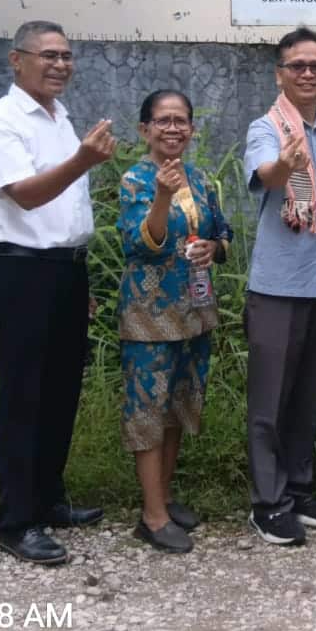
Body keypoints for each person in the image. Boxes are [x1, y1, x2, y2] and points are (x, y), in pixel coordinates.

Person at [0, 20, 114, 566]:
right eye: (48, 55)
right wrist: (83, 159)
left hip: (64, 270)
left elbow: (64, 206)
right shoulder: (0, 122)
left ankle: (48, 499)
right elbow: (26, 197)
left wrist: (75, 271)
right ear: (16, 60)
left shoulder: (59, 118)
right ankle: (15, 521)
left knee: (60, 393)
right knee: (24, 398)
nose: (60, 65)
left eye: (67, 56)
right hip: (23, 271)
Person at [242, 28, 316, 546]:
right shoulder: (266, 127)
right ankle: (268, 502)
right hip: (279, 285)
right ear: (279, 73)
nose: (307, 74)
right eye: (297, 66)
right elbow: (266, 174)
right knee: (271, 398)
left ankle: (299, 487)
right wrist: (285, 165)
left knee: (309, 394)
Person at [116, 89, 233, 554]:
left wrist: (214, 248)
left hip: (194, 313)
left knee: (177, 406)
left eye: (180, 120)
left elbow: (220, 232)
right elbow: (143, 243)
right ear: (145, 129)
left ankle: (163, 496)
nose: (173, 128)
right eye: (162, 121)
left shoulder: (200, 178)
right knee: (147, 411)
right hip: (149, 317)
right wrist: (162, 197)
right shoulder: (135, 180)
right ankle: (152, 515)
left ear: (192, 128)